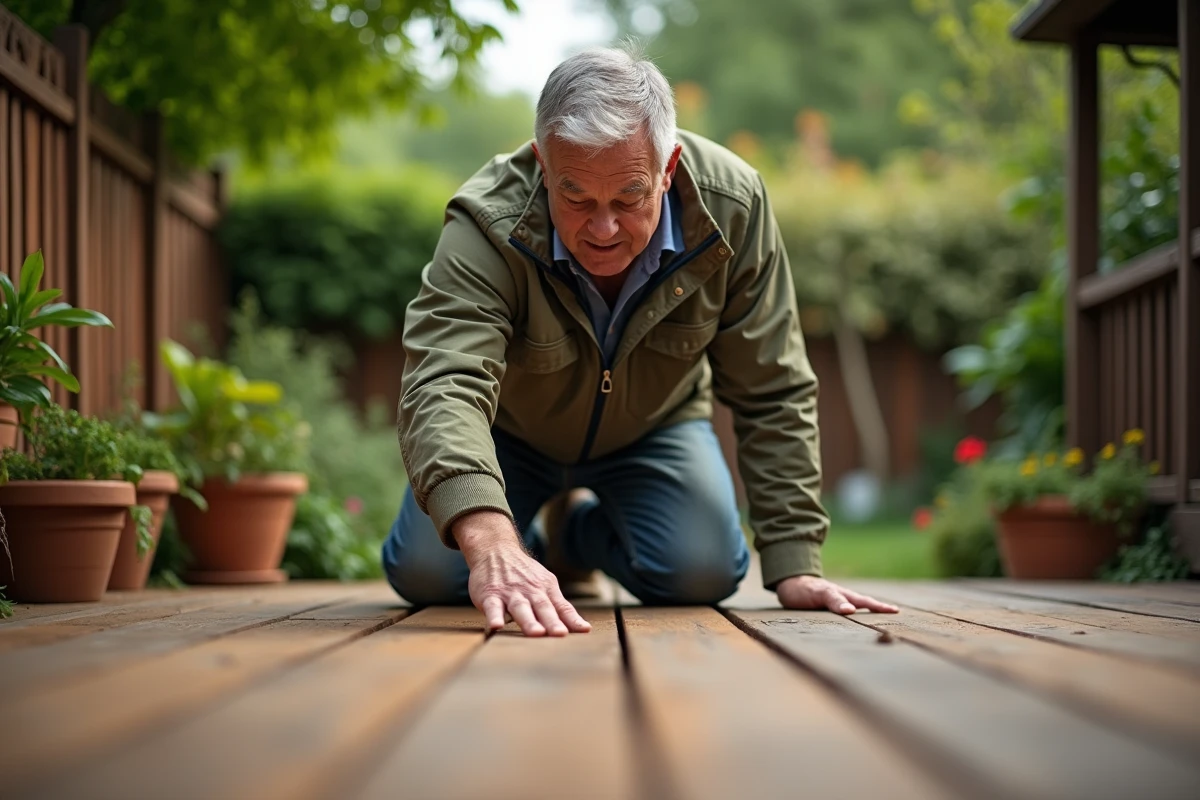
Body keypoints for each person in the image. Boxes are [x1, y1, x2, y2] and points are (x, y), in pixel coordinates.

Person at [382, 42, 899, 636]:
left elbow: (772, 385)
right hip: (508, 435)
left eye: (629, 196)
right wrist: (492, 544)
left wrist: (795, 561)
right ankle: (521, 542)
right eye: (575, 196)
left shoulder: (735, 207)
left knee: (702, 572)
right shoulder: (486, 222)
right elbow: (443, 382)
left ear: (668, 167)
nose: (603, 228)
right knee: (429, 575)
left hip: (655, 427)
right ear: (543, 166)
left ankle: (573, 536)